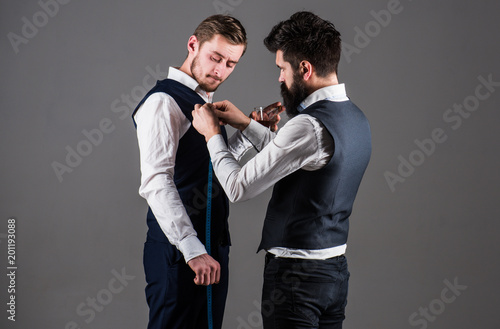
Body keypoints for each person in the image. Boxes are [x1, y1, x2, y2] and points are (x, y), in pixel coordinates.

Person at [192, 11, 372, 328]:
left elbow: (236, 187)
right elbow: (299, 155)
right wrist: (246, 125)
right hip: (335, 274)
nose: (279, 79)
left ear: (304, 69)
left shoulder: (307, 125)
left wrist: (211, 134)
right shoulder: (354, 117)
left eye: (282, 69)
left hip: (296, 281)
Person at [131, 15, 251, 329]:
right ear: (193, 45)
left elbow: (211, 166)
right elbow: (157, 180)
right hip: (181, 252)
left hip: (211, 249)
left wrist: (253, 129)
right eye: (215, 58)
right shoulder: (163, 102)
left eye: (230, 63)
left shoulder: (204, 105)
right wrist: (191, 248)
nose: (220, 70)